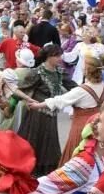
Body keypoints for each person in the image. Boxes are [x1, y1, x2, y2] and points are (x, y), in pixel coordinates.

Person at [36, 53, 104, 165]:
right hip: (98, 126)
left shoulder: (82, 90)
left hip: (81, 128)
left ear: (86, 71)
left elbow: (60, 100)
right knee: (96, 153)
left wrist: (38, 105)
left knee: (77, 153)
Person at [17, 44, 67, 176]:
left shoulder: (59, 72)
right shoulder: (37, 72)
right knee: (35, 140)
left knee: (49, 142)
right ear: (49, 57)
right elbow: (18, 89)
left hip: (52, 113)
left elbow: (72, 87)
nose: (59, 59)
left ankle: (44, 172)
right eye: (57, 56)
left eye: (60, 56)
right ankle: (29, 168)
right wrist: (29, 99)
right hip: (37, 115)